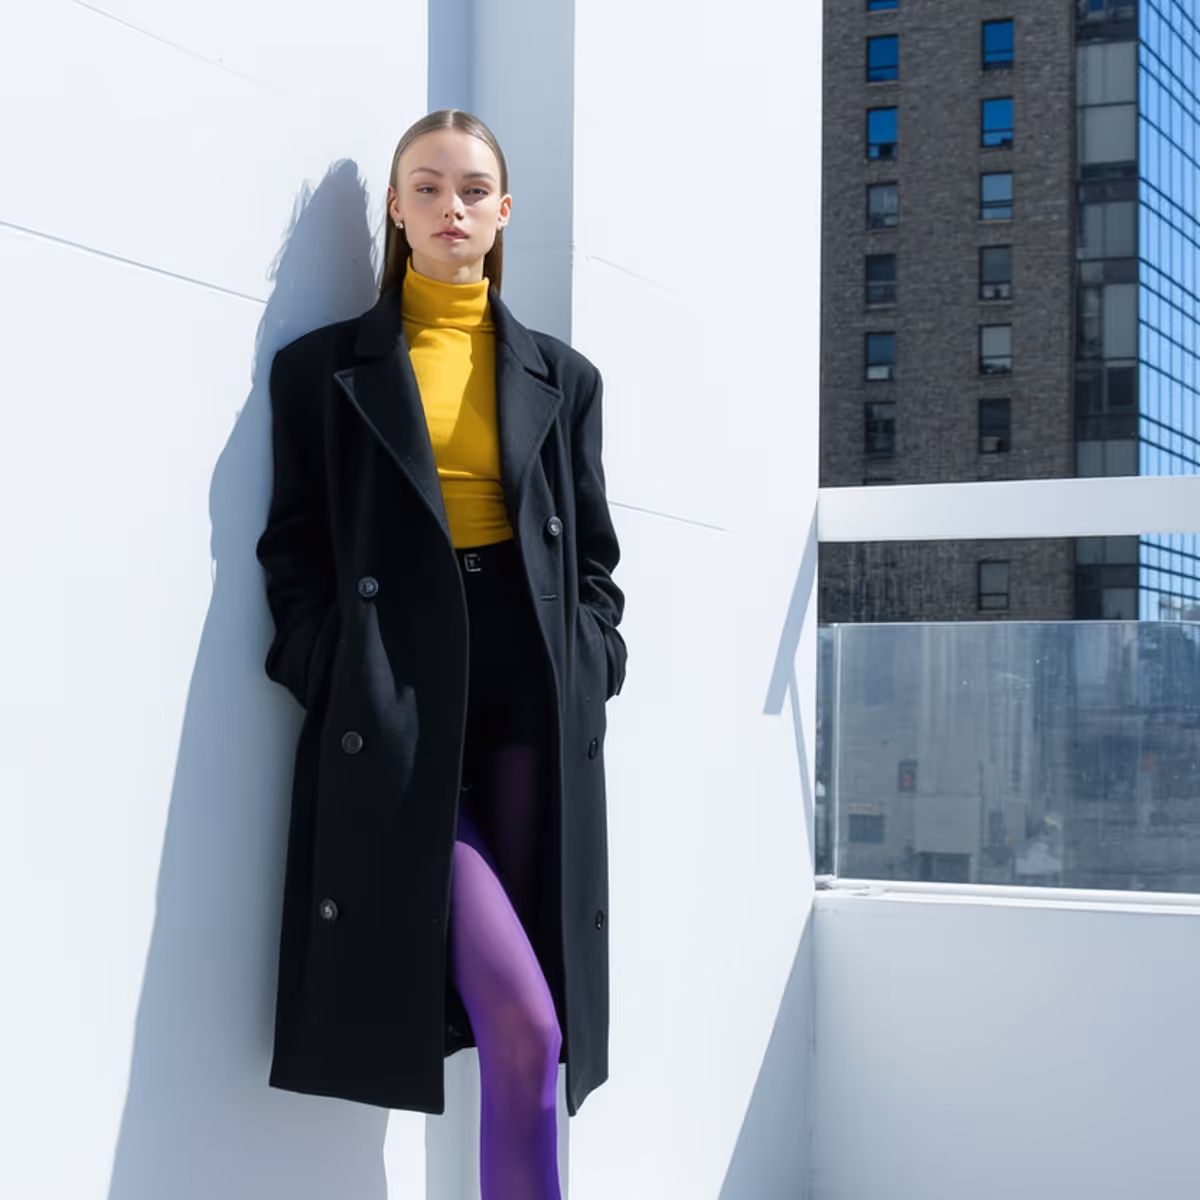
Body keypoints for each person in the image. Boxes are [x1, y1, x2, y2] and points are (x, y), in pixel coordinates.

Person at [254, 109, 627, 1199]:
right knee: (520, 1018)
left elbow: (595, 557)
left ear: (503, 214)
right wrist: (327, 663)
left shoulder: (567, 377)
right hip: (398, 702)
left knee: (532, 1033)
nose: (450, 207)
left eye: (472, 190)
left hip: (529, 700)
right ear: (397, 208)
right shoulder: (322, 371)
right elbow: (294, 549)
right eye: (427, 187)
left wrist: (593, 662)